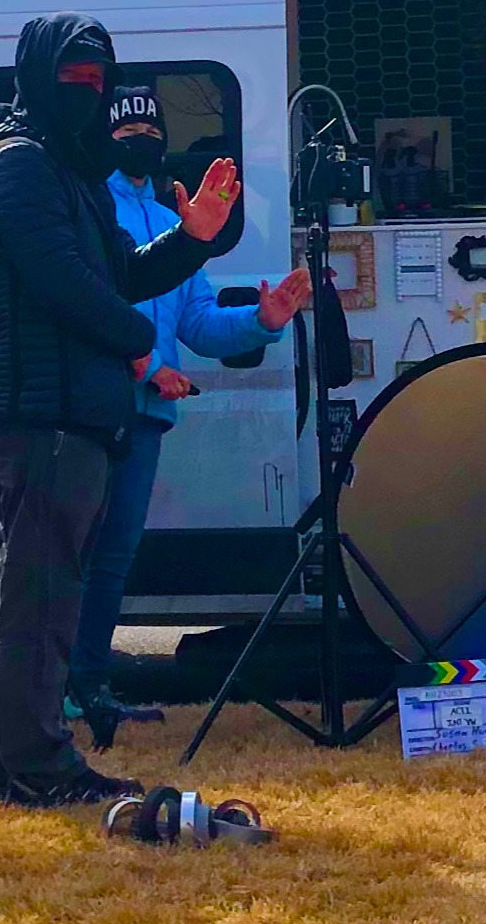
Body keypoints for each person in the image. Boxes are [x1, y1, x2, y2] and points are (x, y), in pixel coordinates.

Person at [0, 15, 241, 809]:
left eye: (99, 80)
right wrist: (145, 343)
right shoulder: (19, 164)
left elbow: (119, 272)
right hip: (44, 411)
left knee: (22, 588)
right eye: (75, 78)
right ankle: (41, 767)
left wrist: (193, 239)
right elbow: (66, 285)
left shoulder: (70, 168)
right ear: (37, 77)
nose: (91, 92)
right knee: (42, 597)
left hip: (76, 407)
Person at [68, 83, 310, 728]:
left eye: (151, 132)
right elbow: (84, 305)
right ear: (103, 139)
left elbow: (199, 323)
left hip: (144, 416)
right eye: (126, 134)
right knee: (71, 551)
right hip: (88, 407)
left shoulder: (170, 220)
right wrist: (145, 364)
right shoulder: (88, 205)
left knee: (113, 555)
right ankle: (56, 687)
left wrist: (261, 321)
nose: (141, 142)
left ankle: (88, 686)